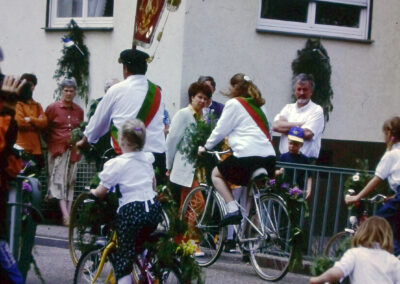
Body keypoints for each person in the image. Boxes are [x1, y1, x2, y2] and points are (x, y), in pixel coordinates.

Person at [77, 48, 166, 185]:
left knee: (122, 201)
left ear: (125, 68)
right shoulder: (157, 92)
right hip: (156, 158)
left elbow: (98, 122)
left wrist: (87, 139)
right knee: (157, 200)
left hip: (127, 157)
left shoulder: (116, 90)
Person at [90, 119, 162, 284]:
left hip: (131, 212)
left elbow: (101, 192)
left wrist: (92, 192)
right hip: (152, 209)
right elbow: (153, 184)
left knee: (123, 261)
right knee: (143, 239)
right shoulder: (147, 159)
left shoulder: (117, 164)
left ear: (121, 140)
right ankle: (148, 269)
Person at [199, 73, 276, 226]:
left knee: (216, 175)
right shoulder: (260, 106)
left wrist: (205, 147)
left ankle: (232, 208)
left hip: (247, 157)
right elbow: (270, 130)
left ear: (235, 88)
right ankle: (249, 237)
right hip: (269, 158)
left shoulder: (234, 104)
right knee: (250, 196)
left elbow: (220, 130)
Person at [345, 116, 400, 256]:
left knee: (375, 223)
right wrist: (393, 197)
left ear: (389, 133)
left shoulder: (392, 154)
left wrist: (357, 196)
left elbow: (377, 179)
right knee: (395, 234)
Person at [310, 216, 400, 284]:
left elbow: (337, 273)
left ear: (362, 233)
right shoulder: (393, 261)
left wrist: (318, 279)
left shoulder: (355, 254)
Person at [45, 78, 84, 226]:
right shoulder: (52, 108)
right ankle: (65, 215)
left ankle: (69, 214)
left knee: (70, 182)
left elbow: (80, 129)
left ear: (75, 93)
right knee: (58, 181)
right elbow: (46, 129)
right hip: (58, 150)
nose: (68, 93)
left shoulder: (79, 111)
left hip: (73, 151)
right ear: (61, 91)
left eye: (71, 91)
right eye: (66, 90)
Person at [166, 82, 212, 205]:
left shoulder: (203, 117)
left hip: (197, 169)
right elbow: (172, 141)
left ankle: (183, 224)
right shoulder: (183, 114)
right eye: (200, 97)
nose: (202, 101)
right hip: (184, 166)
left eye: (205, 99)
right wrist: (169, 165)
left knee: (187, 204)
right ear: (192, 97)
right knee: (197, 203)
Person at [272, 73, 324, 163]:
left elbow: (308, 133)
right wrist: (299, 125)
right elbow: (276, 126)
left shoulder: (316, 110)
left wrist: (285, 127)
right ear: (295, 91)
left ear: (311, 92)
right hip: (285, 160)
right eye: (299, 89)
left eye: (305, 90)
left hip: (305, 162)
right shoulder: (288, 108)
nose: (301, 93)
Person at [15, 73, 47, 172]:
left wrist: (30, 120)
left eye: (31, 84)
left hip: (36, 149)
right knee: (21, 178)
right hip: (22, 147)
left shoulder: (37, 106)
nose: (29, 87)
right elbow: (19, 122)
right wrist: (36, 124)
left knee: (34, 177)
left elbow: (44, 123)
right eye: (26, 84)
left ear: (34, 87)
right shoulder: (18, 104)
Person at [276, 126, 312, 199]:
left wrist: (309, 189)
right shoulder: (283, 157)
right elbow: (275, 172)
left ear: (301, 145)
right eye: (290, 143)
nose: (292, 146)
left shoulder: (305, 159)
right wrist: (279, 172)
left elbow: (309, 176)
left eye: (295, 144)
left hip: (298, 190)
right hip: (284, 189)